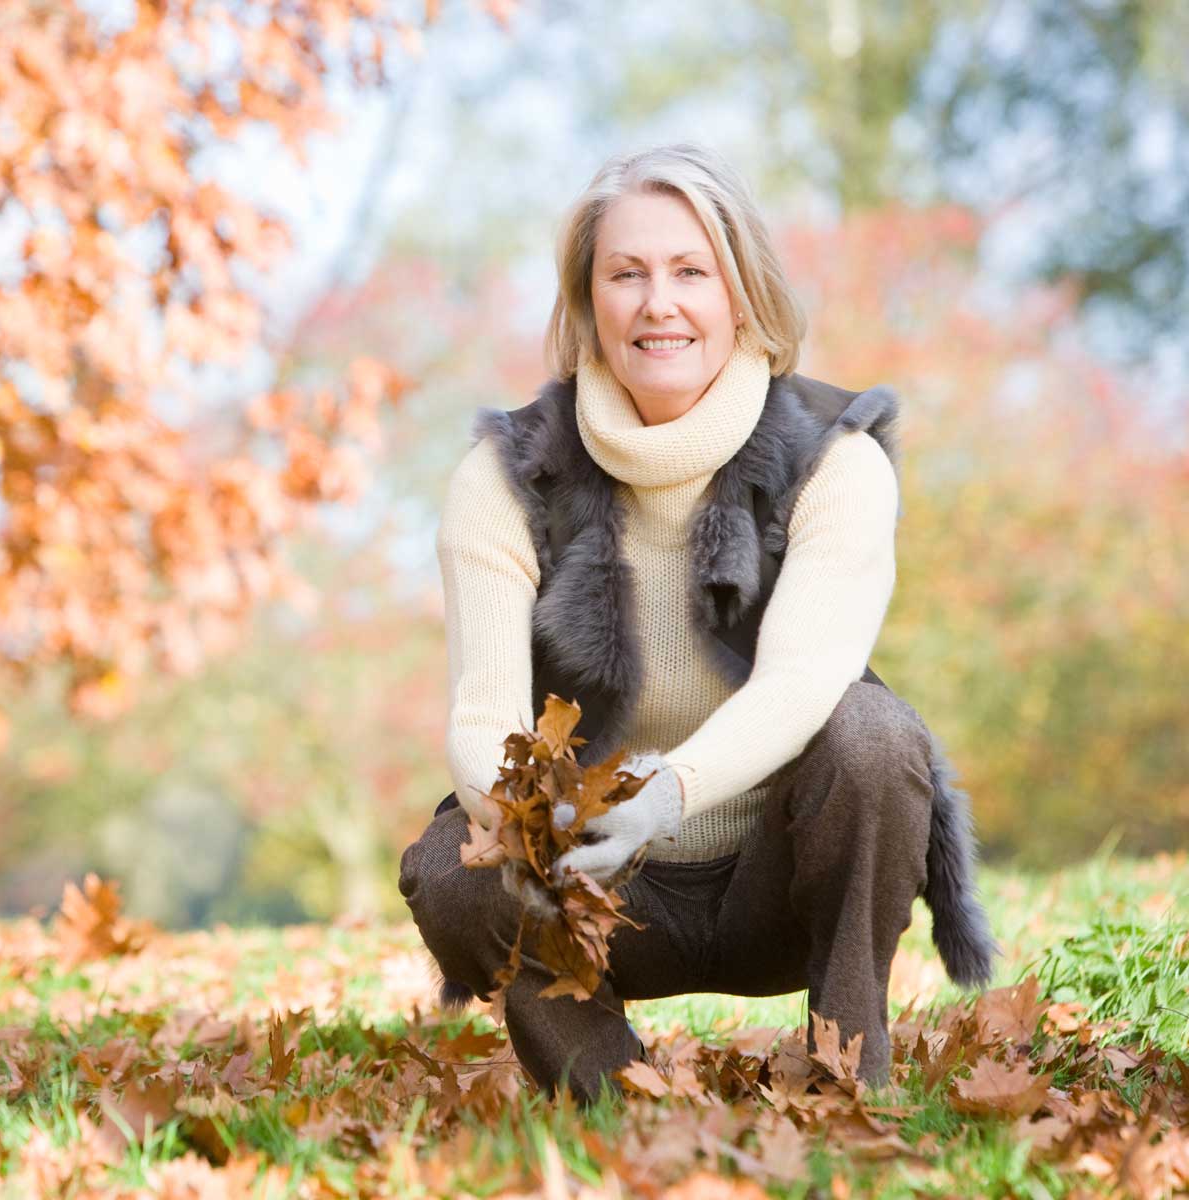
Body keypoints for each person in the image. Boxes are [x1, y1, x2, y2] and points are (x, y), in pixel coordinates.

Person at [397, 142, 997, 1097]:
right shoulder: (503, 476)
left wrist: (665, 795)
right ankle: (613, 1098)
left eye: (691, 271)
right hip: (597, 893)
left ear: (744, 294)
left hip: (781, 877)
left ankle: (851, 1077)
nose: (657, 303)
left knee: (875, 735)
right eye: (625, 273)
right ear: (588, 301)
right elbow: (483, 721)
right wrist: (534, 822)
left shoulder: (835, 460)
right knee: (451, 864)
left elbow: (805, 679)